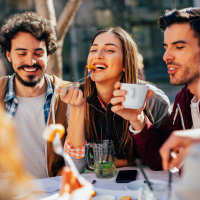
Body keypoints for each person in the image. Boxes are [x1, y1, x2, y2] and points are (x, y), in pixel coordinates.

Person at [59, 27, 170, 170]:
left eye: (109, 50)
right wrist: (77, 109)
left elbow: (165, 161)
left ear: (125, 63)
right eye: (93, 50)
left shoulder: (153, 100)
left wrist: (138, 121)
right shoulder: (77, 98)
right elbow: (75, 166)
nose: (97, 55)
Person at [111, 7, 200, 170]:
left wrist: (195, 138)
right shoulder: (184, 98)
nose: (166, 56)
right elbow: (160, 159)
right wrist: (137, 119)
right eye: (166, 47)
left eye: (179, 47)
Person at [0, 12, 71, 178]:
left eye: (38, 53)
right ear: (9, 55)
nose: (30, 61)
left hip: (54, 192)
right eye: (21, 53)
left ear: (48, 54)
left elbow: (78, 160)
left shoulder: (67, 96)